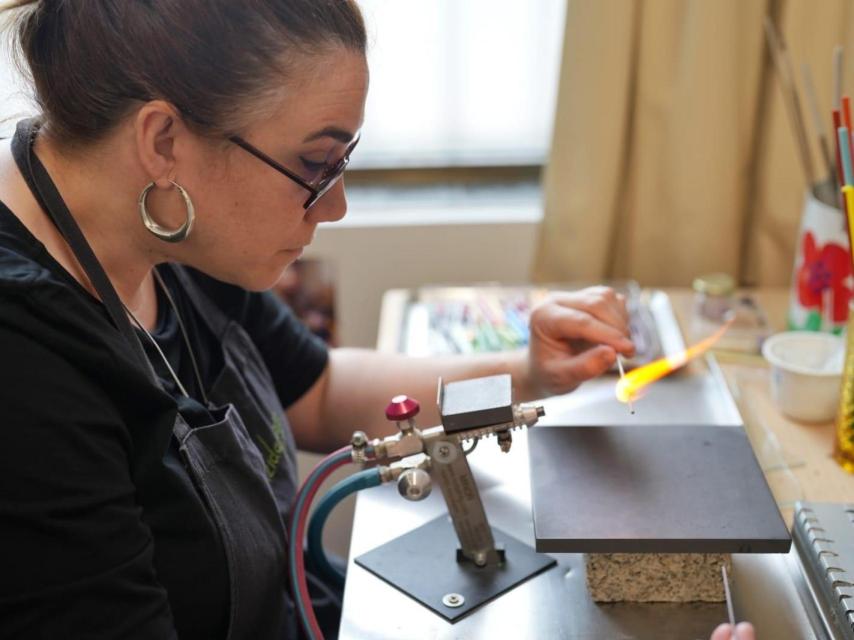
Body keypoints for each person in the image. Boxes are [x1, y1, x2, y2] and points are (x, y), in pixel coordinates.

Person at [0, 1, 744, 639]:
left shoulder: (157, 226)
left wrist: (530, 368)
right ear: (163, 142)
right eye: (315, 166)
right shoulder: (27, 374)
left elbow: (319, 391)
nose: (337, 205)